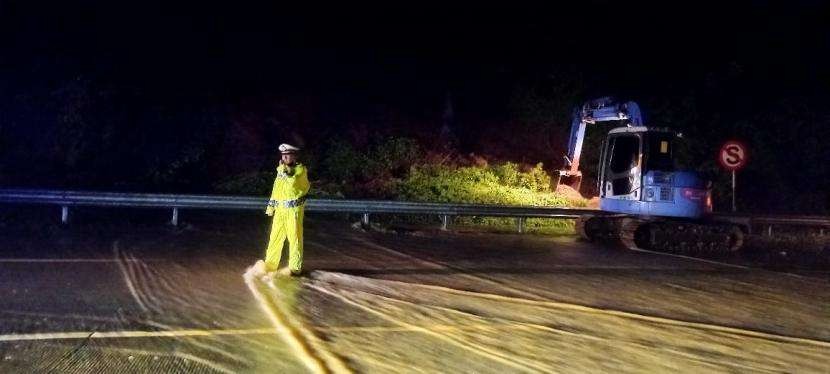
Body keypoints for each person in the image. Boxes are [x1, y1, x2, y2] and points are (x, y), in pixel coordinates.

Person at [259, 143, 310, 277]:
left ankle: (295, 268)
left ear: (294, 156)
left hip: (293, 211)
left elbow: (292, 181)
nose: (285, 158)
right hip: (280, 210)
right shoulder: (281, 171)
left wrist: (284, 169)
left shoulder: (300, 170)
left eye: (288, 155)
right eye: (283, 155)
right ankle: (270, 266)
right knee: (274, 238)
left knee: (295, 239)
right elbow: (276, 190)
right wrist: (271, 207)